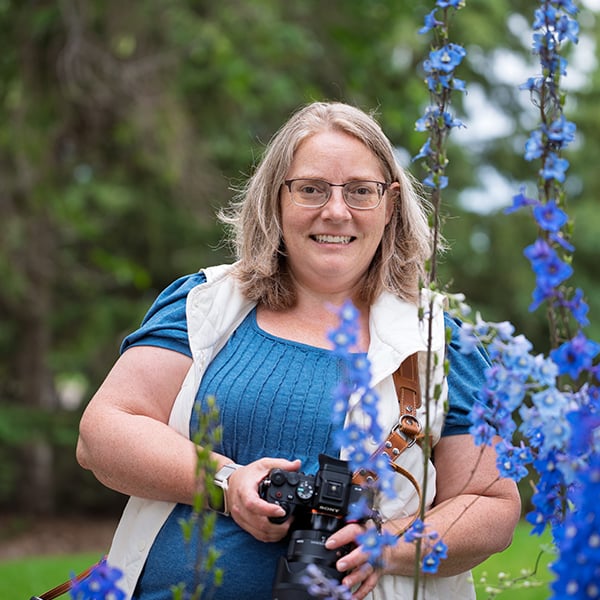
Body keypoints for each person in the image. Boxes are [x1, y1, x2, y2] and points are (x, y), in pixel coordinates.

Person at [76, 101, 521, 600]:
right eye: (310, 189)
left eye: (360, 191)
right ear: (276, 199)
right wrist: (225, 484)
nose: (335, 210)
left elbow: (492, 503)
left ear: (390, 203)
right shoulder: (203, 303)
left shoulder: (440, 341)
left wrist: (390, 545)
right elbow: (103, 433)